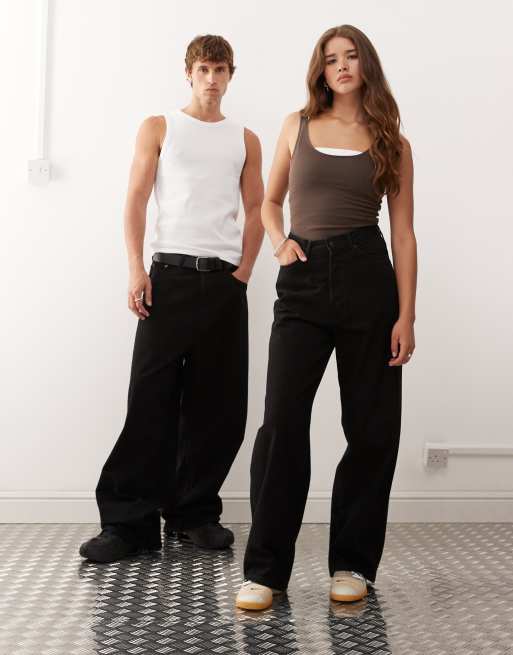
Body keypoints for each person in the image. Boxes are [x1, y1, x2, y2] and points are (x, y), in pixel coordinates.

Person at [236, 24, 416, 610]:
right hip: (304, 279)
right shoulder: (297, 125)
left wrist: (407, 316)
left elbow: (404, 234)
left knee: (372, 428)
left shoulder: (392, 141)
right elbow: (268, 201)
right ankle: (265, 571)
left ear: (366, 65)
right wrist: (280, 242)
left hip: (368, 277)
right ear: (320, 68)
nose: (341, 66)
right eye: (331, 58)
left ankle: (352, 564)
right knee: (281, 424)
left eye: (351, 56)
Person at [80, 34, 264, 563]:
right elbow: (137, 198)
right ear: (189, 73)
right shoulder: (159, 127)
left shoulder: (245, 139)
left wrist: (244, 273)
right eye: (204, 69)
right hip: (168, 278)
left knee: (219, 406)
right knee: (150, 400)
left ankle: (193, 514)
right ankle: (128, 523)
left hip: (224, 282)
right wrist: (136, 269)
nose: (212, 78)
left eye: (221, 70)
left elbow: (258, 208)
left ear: (231, 75)